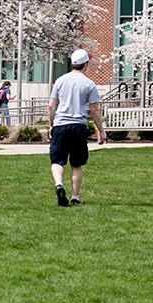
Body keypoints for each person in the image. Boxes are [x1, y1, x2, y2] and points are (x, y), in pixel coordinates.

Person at [47, 49, 107, 207]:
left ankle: (59, 184)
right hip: (78, 126)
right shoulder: (89, 83)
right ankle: (75, 197)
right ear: (85, 64)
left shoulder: (60, 80)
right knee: (76, 164)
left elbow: (51, 106)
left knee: (57, 161)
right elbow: (94, 110)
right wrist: (101, 130)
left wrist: (51, 124)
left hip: (60, 125)